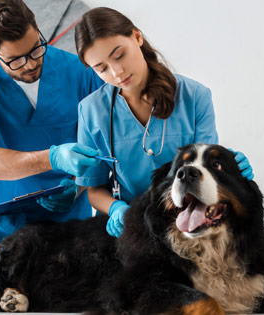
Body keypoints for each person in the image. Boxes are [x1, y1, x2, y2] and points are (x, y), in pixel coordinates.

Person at [0, 0, 104, 267]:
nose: (31, 64)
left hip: (69, 232)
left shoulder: (80, 71)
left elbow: (103, 146)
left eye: (35, 49)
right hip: (2, 233)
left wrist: (78, 186)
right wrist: (54, 158)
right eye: (16, 60)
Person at [74, 7, 254, 237]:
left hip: (188, 219)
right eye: (102, 69)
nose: (116, 72)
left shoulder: (195, 96)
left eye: (119, 55)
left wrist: (228, 167)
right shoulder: (91, 112)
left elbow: (205, 170)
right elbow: (94, 188)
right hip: (134, 226)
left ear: (137, 37)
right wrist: (116, 209)